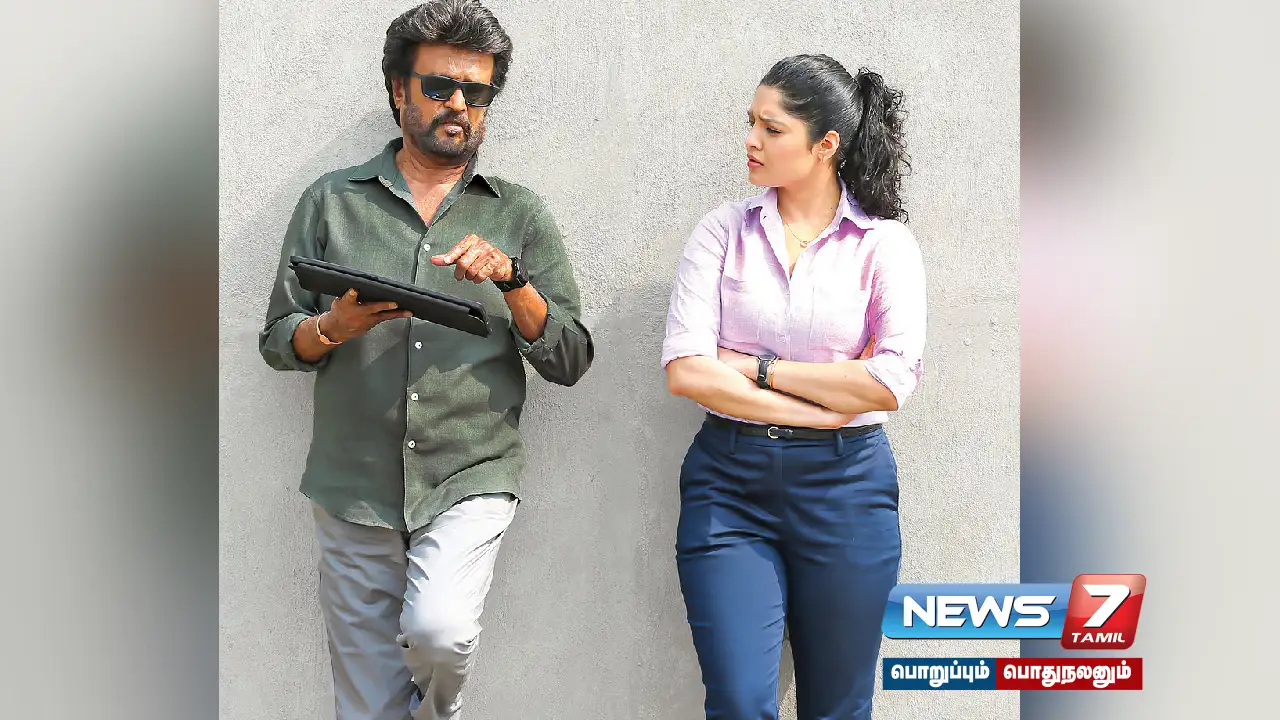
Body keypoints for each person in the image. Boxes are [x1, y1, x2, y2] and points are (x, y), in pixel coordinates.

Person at [258, 2, 593, 719]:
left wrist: (513, 281)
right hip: (353, 480)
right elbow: (279, 340)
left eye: (477, 92)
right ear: (398, 89)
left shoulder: (518, 214)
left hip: (468, 472)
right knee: (366, 703)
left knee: (440, 632)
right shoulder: (332, 201)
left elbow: (569, 357)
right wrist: (333, 326)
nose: (460, 107)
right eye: (440, 87)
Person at [661, 54, 925, 720]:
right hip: (730, 486)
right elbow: (687, 370)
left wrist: (756, 368)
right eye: (750, 122)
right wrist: (825, 406)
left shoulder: (883, 245)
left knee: (838, 707)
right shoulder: (722, 231)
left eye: (771, 129)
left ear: (825, 145)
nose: (750, 139)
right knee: (739, 702)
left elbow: (890, 380)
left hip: (847, 490)